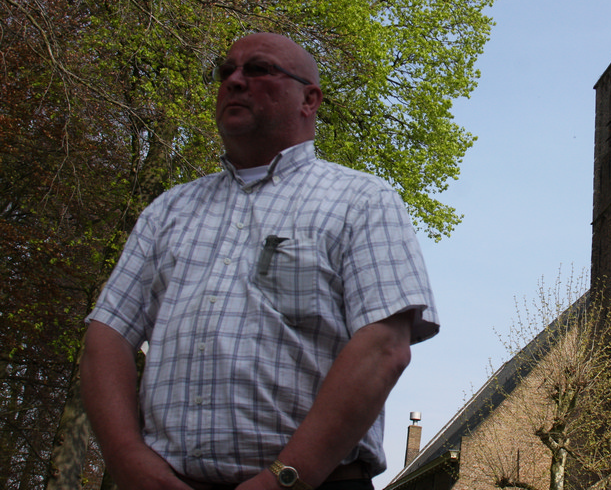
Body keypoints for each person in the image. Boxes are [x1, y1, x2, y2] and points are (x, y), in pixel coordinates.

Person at [80, 33, 438, 490]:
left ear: (309, 99)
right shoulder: (168, 211)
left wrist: (284, 478)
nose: (234, 80)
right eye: (225, 71)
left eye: (258, 70)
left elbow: (384, 346)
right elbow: (106, 336)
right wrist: (127, 459)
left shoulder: (362, 201)